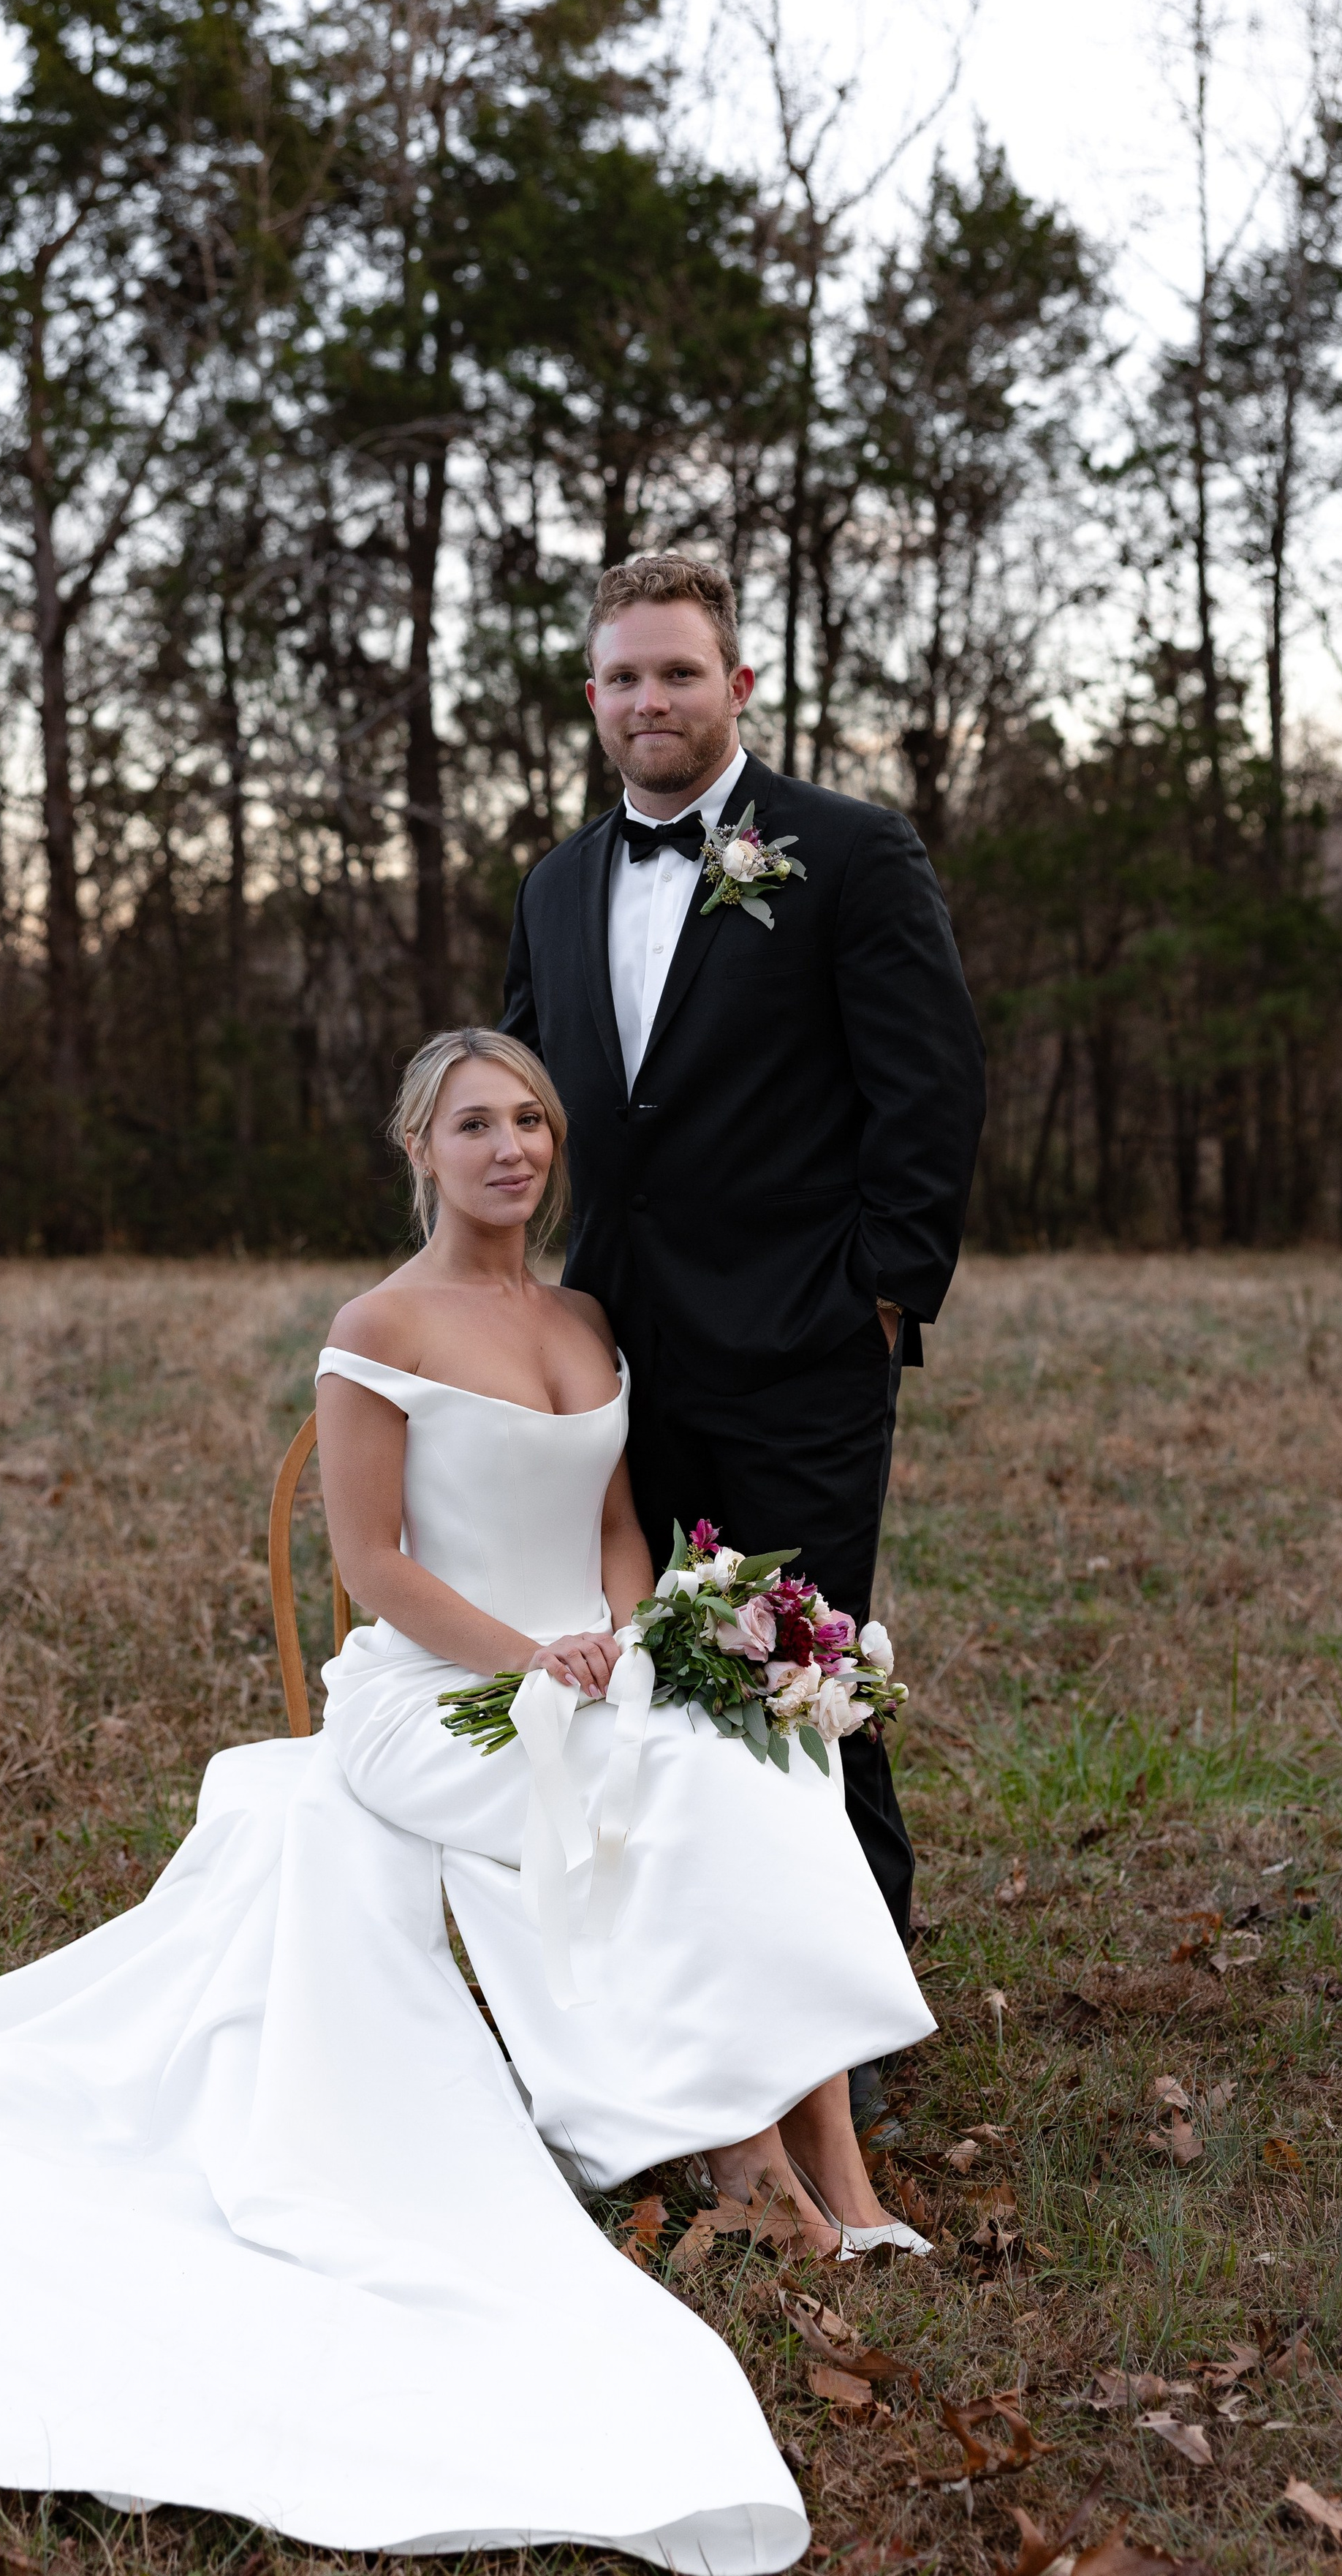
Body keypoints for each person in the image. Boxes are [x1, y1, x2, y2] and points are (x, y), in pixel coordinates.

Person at [0, 1030, 931, 2574]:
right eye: (474, 1122)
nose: (510, 1146)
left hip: (587, 1654)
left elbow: (615, 1516)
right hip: (430, 1687)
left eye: (531, 1118)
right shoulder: (374, 1325)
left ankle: (843, 2171)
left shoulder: (587, 1313)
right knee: (642, 1785)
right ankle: (748, 2165)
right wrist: (540, 1661)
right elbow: (375, 1568)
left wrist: (632, 1635)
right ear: (418, 1146)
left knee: (754, 1749)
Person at [501, 553, 986, 2066]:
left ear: (737, 687)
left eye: (679, 672)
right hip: (609, 1357)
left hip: (799, 1349)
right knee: (643, 1662)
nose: (650, 699)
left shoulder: (847, 852)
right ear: (591, 697)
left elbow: (929, 1086)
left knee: (798, 1670)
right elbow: (529, 1101)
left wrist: (883, 1300)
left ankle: (849, 2024)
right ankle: (679, 1997)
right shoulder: (555, 881)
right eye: (624, 677)